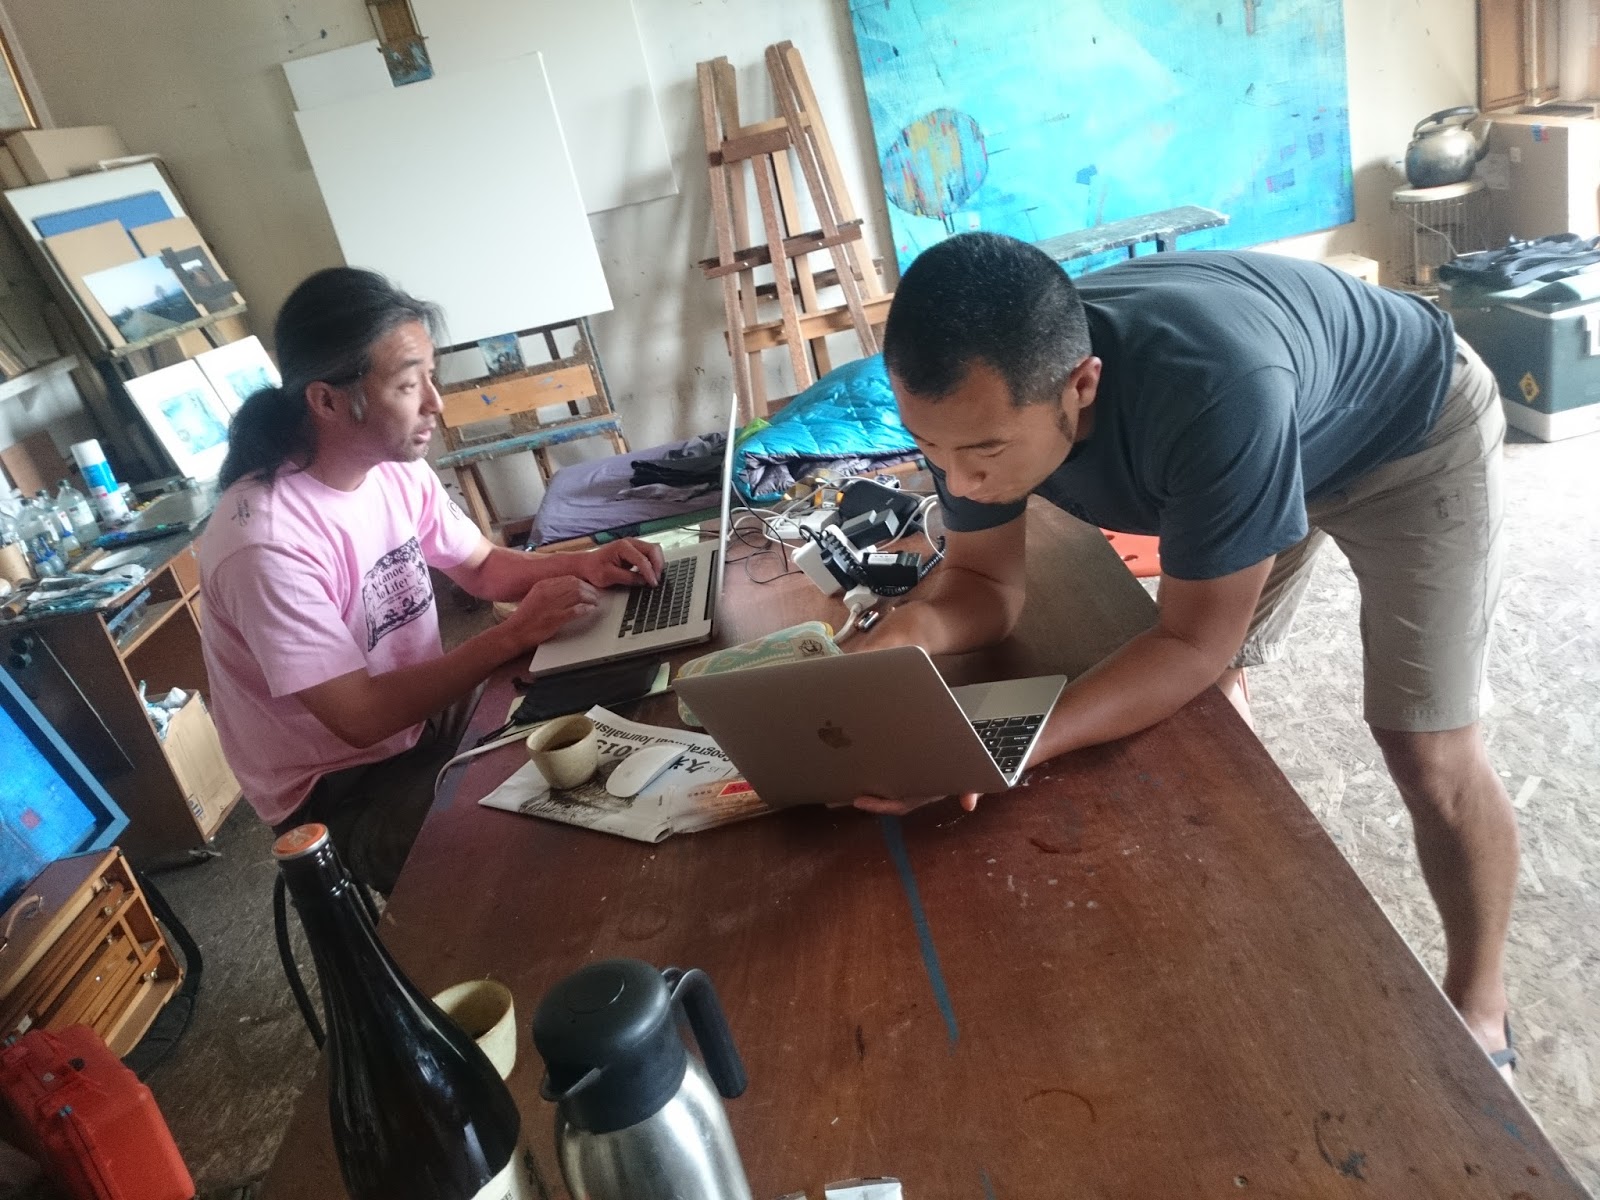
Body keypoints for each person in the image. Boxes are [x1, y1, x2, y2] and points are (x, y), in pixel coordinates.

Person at [852, 233, 1518, 1072]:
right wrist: (909, 632)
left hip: (1413, 428)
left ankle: (1483, 1004)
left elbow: (1191, 642)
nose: (961, 483)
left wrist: (1009, 744)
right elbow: (984, 582)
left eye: (985, 454)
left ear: (1081, 385)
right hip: (1270, 433)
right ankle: (1253, 859)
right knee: (1197, 705)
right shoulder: (989, 400)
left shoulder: (1212, 394)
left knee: (1427, 749)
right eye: (931, 449)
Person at [199, 267, 664, 893]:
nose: (434, 404)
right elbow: (361, 717)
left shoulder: (392, 466)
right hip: (342, 787)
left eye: (431, 378)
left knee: (613, 701)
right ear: (327, 401)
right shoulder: (265, 541)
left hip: (419, 719)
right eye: (407, 385)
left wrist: (584, 562)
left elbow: (481, 567)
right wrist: (512, 634)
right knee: (547, 839)